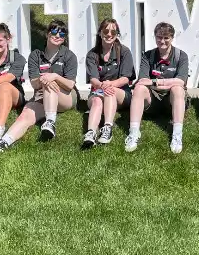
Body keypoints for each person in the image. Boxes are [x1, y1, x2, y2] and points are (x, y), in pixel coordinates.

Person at [0, 19, 79, 152]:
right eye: (54, 31)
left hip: (65, 96)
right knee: (25, 114)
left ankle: (50, 122)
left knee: (50, 82)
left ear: (64, 38)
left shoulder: (69, 56)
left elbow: (70, 84)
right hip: (41, 96)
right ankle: (4, 142)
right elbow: (35, 84)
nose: (58, 36)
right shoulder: (35, 55)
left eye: (62, 34)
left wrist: (55, 76)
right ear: (47, 34)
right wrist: (44, 79)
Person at [125, 22, 189, 153]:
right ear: (155, 37)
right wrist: (164, 82)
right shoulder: (148, 56)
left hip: (173, 99)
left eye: (166, 38)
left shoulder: (181, 56)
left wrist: (155, 82)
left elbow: (181, 81)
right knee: (139, 89)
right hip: (153, 98)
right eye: (159, 37)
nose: (162, 41)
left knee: (177, 89)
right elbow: (142, 80)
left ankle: (177, 135)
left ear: (172, 38)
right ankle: (134, 133)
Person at [81, 18, 135, 148]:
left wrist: (109, 85)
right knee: (96, 101)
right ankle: (91, 133)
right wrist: (101, 85)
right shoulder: (92, 54)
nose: (109, 34)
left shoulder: (124, 51)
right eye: (106, 31)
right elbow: (93, 79)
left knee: (110, 92)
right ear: (100, 33)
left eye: (113, 32)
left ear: (117, 34)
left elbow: (126, 78)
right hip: (98, 91)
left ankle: (107, 128)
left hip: (121, 93)